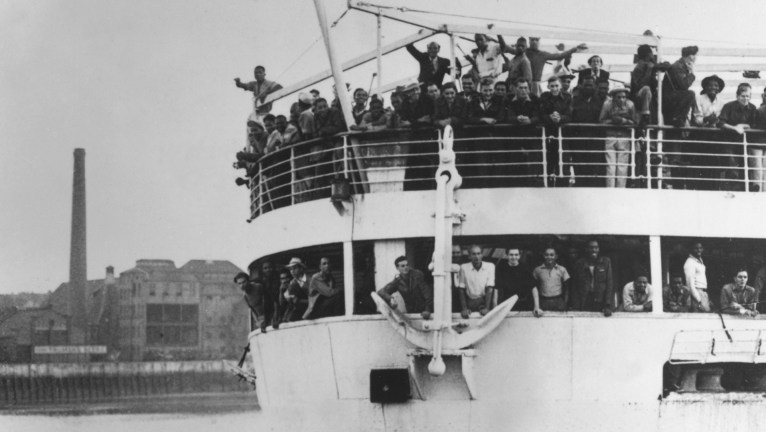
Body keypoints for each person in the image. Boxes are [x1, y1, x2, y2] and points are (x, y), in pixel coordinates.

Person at [719, 83, 757, 190]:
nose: (745, 99)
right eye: (743, 96)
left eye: (748, 96)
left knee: (745, 166)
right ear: (737, 96)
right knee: (732, 166)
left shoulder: (753, 108)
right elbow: (721, 123)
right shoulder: (729, 106)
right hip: (729, 141)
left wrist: (744, 126)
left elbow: (754, 124)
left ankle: (744, 189)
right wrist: (735, 127)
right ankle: (730, 190)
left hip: (744, 142)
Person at [599, 84, 638, 188]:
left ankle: (620, 191)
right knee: (610, 167)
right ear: (613, 96)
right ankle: (610, 190)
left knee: (622, 167)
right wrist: (612, 121)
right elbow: (601, 121)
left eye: (624, 97)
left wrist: (623, 121)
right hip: (610, 137)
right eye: (619, 97)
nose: (621, 99)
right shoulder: (607, 104)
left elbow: (635, 122)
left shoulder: (630, 105)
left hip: (624, 138)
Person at [569, 76, 604, 186]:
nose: (588, 88)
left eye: (591, 85)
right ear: (581, 86)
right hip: (578, 140)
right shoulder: (574, 101)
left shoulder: (600, 102)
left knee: (594, 167)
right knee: (579, 167)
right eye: (586, 85)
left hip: (595, 140)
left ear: (595, 87)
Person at [495, 247, 542, 316]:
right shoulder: (502, 268)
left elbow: (533, 288)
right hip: (507, 304)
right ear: (507, 255)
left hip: (523, 304)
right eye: (511, 255)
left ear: (519, 256)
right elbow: (496, 288)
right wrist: (495, 307)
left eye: (516, 255)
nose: (514, 257)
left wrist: (537, 307)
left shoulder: (525, 268)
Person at [571, 240, 614, 316]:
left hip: (600, 300)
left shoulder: (605, 262)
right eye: (591, 248)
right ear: (586, 249)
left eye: (596, 248)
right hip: (584, 299)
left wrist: (607, 304)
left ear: (599, 249)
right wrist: (576, 305)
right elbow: (575, 286)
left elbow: (609, 284)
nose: (594, 250)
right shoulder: (580, 263)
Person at [662, 46, 698, 128]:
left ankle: (682, 118)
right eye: (695, 55)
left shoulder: (681, 66)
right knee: (691, 94)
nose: (695, 58)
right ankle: (679, 118)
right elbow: (684, 85)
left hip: (672, 97)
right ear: (690, 56)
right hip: (669, 98)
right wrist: (692, 73)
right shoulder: (678, 66)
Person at [457, 245, 496, 318]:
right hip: (470, 302)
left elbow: (490, 288)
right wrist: (464, 308)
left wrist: (487, 308)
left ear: (482, 255)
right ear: (469, 256)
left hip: (484, 302)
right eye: (474, 254)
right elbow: (461, 289)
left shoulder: (490, 266)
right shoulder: (464, 267)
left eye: (479, 253)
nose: (477, 257)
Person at [533, 247, 570, 312]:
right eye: (546, 255)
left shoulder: (562, 269)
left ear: (556, 256)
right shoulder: (537, 270)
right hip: (543, 301)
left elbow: (567, 288)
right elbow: (534, 287)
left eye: (552, 255)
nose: (549, 257)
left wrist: (565, 303)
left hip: (558, 301)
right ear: (543, 256)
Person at [630, 44, 659, 125]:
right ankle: (645, 116)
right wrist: (649, 70)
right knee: (646, 89)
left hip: (649, 98)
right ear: (647, 55)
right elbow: (639, 86)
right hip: (638, 97)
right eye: (651, 53)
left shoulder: (650, 65)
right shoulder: (639, 67)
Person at [684, 241, 710, 312]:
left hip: (703, 293)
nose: (699, 250)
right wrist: (699, 301)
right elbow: (690, 285)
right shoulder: (690, 262)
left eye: (700, 248)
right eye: (696, 248)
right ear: (691, 249)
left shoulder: (699, 260)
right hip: (696, 294)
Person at [283, 258, 310, 322]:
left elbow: (314, 300)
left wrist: (298, 300)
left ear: (301, 268)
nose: (292, 271)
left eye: (294, 268)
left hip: (311, 311)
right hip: (299, 312)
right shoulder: (292, 282)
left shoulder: (310, 280)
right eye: (290, 269)